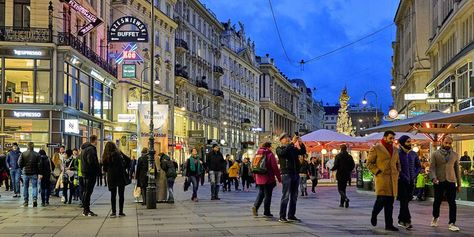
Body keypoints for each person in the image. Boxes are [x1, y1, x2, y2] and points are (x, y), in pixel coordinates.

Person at [367, 130, 400, 232]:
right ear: (385, 137)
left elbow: (397, 163)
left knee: (390, 203)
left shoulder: (395, 149)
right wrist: (377, 171)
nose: (392, 140)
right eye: (390, 138)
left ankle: (389, 224)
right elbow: (369, 163)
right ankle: (374, 214)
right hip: (382, 178)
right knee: (381, 200)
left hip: (392, 179)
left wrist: (398, 172)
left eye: (393, 138)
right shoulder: (376, 148)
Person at [430, 136, 461, 232]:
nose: (448, 145)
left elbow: (457, 170)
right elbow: (432, 168)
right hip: (439, 180)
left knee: (452, 202)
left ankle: (452, 223)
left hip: (451, 180)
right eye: (446, 143)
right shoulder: (435, 154)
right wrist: (434, 178)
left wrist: (459, 184)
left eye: (449, 143)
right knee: (437, 201)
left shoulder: (455, 155)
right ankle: (435, 217)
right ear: (442, 142)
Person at [276, 133, 307, 223]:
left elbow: (302, 152)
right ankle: (282, 216)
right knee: (285, 196)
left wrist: (301, 143)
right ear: (281, 140)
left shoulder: (292, 148)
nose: (287, 139)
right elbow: (283, 153)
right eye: (285, 138)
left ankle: (291, 215)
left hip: (295, 174)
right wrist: (292, 143)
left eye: (288, 138)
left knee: (294, 196)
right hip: (286, 174)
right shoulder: (279, 149)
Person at [397, 135, 421, 229]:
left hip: (411, 181)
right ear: (402, 142)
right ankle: (407, 220)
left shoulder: (413, 154)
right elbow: (396, 168)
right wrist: (402, 176)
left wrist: (414, 174)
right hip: (401, 181)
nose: (409, 143)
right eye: (407, 142)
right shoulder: (398, 153)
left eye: (410, 141)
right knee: (404, 201)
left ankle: (400, 219)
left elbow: (418, 166)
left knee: (406, 202)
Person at [252, 142, 282, 217]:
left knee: (261, 193)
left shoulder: (257, 154)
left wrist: (255, 177)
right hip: (268, 178)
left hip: (259, 178)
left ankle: (255, 206)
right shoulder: (270, 154)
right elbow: (275, 167)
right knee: (268, 195)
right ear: (269, 147)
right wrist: (279, 178)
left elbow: (254, 166)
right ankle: (266, 211)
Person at [102, 142, 131, 218]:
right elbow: (128, 160)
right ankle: (121, 212)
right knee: (121, 195)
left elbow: (104, 169)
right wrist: (124, 167)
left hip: (111, 177)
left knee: (113, 195)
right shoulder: (118, 154)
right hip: (120, 176)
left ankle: (113, 212)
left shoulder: (105, 156)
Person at [81, 135, 100, 216]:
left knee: (86, 191)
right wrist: (97, 168)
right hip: (90, 173)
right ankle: (86, 210)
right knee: (88, 191)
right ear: (94, 140)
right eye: (97, 140)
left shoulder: (84, 149)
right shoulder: (91, 149)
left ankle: (85, 209)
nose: (97, 142)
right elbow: (91, 161)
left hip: (85, 172)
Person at [18, 142, 41, 207]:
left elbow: (19, 163)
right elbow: (40, 164)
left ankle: (26, 201)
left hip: (25, 172)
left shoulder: (23, 154)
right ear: (33, 146)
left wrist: (22, 168)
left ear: (27, 146)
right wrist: (39, 172)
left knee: (25, 187)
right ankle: (34, 200)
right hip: (34, 172)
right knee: (34, 187)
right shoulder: (37, 154)